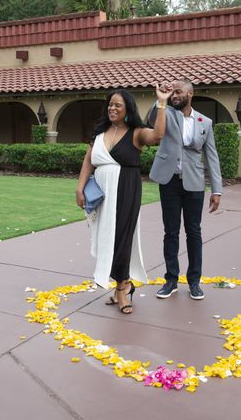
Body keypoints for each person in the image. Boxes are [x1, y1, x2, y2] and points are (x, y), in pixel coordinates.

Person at [76, 86, 169, 314]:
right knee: (108, 238)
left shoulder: (136, 132)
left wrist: (162, 103)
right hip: (102, 194)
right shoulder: (99, 133)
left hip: (127, 189)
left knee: (122, 238)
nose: (112, 108)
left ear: (127, 109)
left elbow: (157, 135)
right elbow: (88, 161)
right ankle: (121, 284)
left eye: (117, 105)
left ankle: (122, 288)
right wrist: (79, 189)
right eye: (110, 104)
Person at [149, 79, 223, 300]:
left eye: (179, 92)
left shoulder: (205, 122)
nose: (175, 96)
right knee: (170, 231)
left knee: (194, 232)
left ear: (191, 93)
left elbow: (212, 156)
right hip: (169, 180)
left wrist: (216, 190)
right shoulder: (166, 112)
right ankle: (171, 280)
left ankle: (194, 282)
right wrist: (160, 101)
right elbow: (152, 119)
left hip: (194, 183)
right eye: (173, 93)